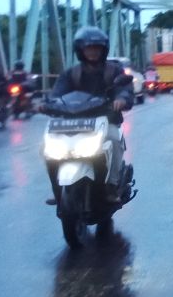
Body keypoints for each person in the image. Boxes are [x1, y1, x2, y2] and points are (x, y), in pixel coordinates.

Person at [42, 26, 133, 207]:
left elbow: (125, 89)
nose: (92, 52)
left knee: (114, 141)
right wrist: (46, 104)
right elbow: (57, 94)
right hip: (74, 122)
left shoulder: (114, 71)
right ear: (80, 50)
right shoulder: (71, 73)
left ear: (103, 50)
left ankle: (112, 186)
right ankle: (58, 191)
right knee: (47, 150)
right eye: (88, 48)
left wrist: (121, 99)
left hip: (106, 120)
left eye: (96, 48)